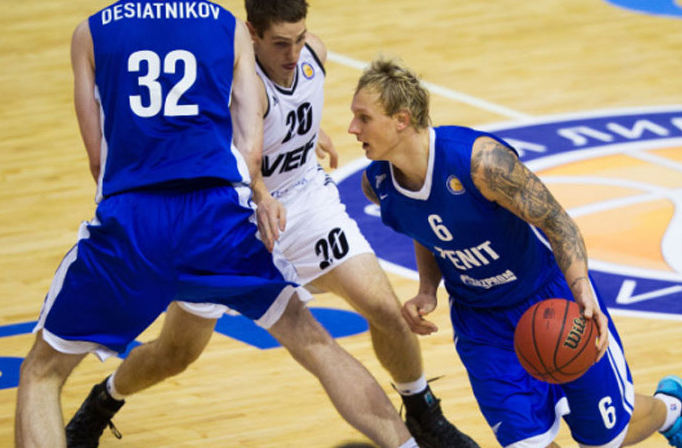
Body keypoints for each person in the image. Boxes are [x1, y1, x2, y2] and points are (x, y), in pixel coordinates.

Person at [64, 1, 479, 447]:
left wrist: (308, 130)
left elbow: (291, 105)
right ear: (251, 36)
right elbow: (220, 149)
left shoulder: (314, 54)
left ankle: (422, 411)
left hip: (306, 202)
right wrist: (256, 190)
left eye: (299, 38)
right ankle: (104, 401)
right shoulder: (225, 86)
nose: (293, 52)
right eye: (281, 43)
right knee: (175, 354)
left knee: (383, 309)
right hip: (239, 218)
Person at [349, 56, 682, 448]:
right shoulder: (377, 183)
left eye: (363, 117)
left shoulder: (481, 162)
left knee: (606, 438)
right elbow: (422, 226)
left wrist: (581, 290)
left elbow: (558, 223)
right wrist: (428, 288)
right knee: (528, 444)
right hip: (484, 325)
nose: (352, 128)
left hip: (549, 298)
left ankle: (671, 409)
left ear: (401, 120)